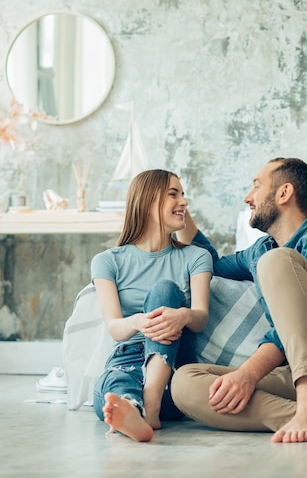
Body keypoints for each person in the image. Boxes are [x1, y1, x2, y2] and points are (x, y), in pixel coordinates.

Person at [171, 157, 307, 443]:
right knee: (185, 383)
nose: (247, 197)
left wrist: (248, 374)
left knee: (276, 261)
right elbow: (208, 263)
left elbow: (298, 322)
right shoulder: (259, 251)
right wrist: (181, 211)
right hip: (299, 373)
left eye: (256, 186)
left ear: (284, 193)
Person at [91, 169, 213, 442]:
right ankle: (134, 412)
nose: (183, 202)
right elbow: (115, 328)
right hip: (127, 360)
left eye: (183, 194)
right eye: (174, 194)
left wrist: (182, 315)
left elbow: (201, 317)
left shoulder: (196, 257)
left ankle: (151, 402)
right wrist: (138, 321)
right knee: (116, 387)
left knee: (165, 290)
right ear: (147, 202)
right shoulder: (107, 261)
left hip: (174, 372)